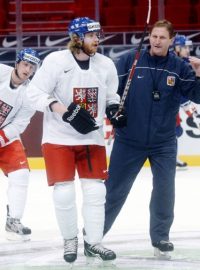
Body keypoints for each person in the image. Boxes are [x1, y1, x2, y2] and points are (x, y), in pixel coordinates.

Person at [26, 17, 123, 265]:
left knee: (96, 191)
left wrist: (113, 109)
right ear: (77, 38)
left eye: (98, 35)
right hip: (58, 138)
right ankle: (70, 239)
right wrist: (63, 110)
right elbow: (34, 93)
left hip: (92, 137)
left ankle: (94, 242)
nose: (97, 40)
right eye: (92, 36)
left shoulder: (106, 65)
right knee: (64, 193)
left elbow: (112, 95)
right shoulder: (56, 61)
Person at [103, 20, 200, 259]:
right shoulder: (129, 61)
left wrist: (199, 73)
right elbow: (109, 91)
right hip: (129, 140)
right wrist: (112, 111)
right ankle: (94, 234)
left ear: (171, 40)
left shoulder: (180, 67)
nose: (156, 41)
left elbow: (196, 95)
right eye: (154, 36)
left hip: (164, 142)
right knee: (115, 191)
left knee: (164, 191)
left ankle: (161, 237)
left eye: (162, 37)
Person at [0, 48, 40, 241]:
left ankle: (13, 220)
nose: (28, 70)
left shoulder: (30, 94)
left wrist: (1, 137)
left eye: (32, 67)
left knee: (21, 174)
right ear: (17, 63)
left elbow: (20, 123)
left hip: (5, 136)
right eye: (25, 64)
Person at [173, 34, 200, 169]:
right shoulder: (177, 63)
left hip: (173, 105)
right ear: (177, 47)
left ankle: (173, 159)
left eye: (188, 47)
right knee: (174, 132)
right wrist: (187, 106)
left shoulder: (182, 62)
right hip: (168, 105)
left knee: (176, 131)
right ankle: (172, 159)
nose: (188, 50)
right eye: (185, 47)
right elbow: (179, 88)